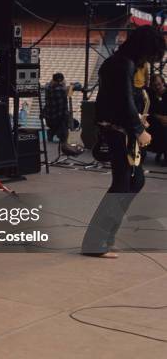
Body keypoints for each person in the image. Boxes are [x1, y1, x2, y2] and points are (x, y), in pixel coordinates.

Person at [81, 25, 165, 258]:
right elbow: (123, 102)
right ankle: (95, 242)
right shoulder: (122, 65)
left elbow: (132, 99)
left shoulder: (129, 65)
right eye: (150, 54)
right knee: (122, 183)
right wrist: (138, 129)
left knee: (134, 181)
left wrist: (140, 119)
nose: (149, 60)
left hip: (124, 129)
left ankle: (104, 238)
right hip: (119, 131)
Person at [43, 73, 70, 144]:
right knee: (74, 122)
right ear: (61, 80)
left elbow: (47, 84)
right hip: (58, 117)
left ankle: (52, 132)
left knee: (59, 121)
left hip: (48, 116)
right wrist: (64, 85)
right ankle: (59, 133)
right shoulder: (61, 89)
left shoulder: (47, 88)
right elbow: (64, 89)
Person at [147, 74, 167, 165]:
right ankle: (160, 151)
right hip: (157, 120)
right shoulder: (150, 95)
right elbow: (150, 111)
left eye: (159, 84)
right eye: (155, 85)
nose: (157, 87)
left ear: (163, 83)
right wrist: (160, 118)